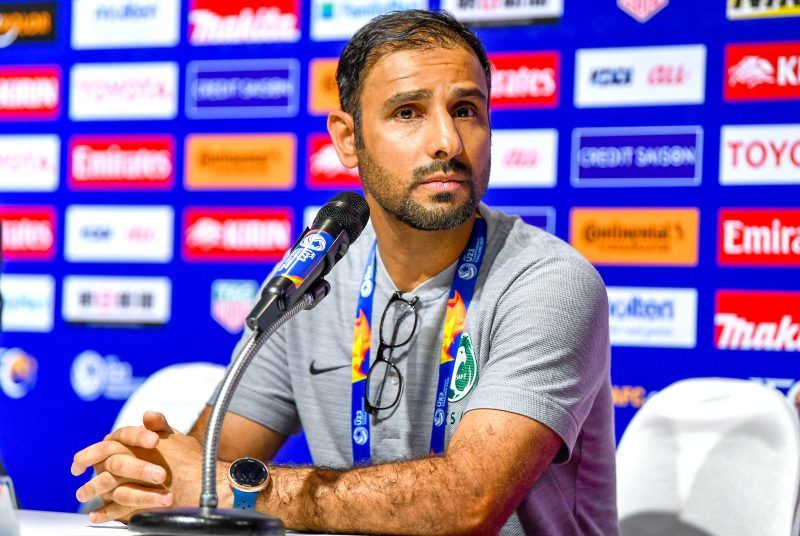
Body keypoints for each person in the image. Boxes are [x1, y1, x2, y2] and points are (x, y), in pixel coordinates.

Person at [71, 10, 617, 534]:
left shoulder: (548, 282)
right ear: (348, 140)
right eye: (408, 113)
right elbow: (212, 462)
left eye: (466, 110)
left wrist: (240, 490)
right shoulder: (313, 280)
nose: (447, 142)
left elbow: (468, 502)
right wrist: (154, 477)